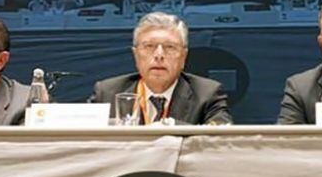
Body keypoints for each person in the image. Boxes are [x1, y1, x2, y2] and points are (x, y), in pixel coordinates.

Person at [90, 12, 232, 125]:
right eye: (149, 46)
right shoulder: (107, 93)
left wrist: (169, 126)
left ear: (183, 57)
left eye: (170, 47)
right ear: (136, 55)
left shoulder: (207, 94)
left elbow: (219, 138)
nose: (159, 55)